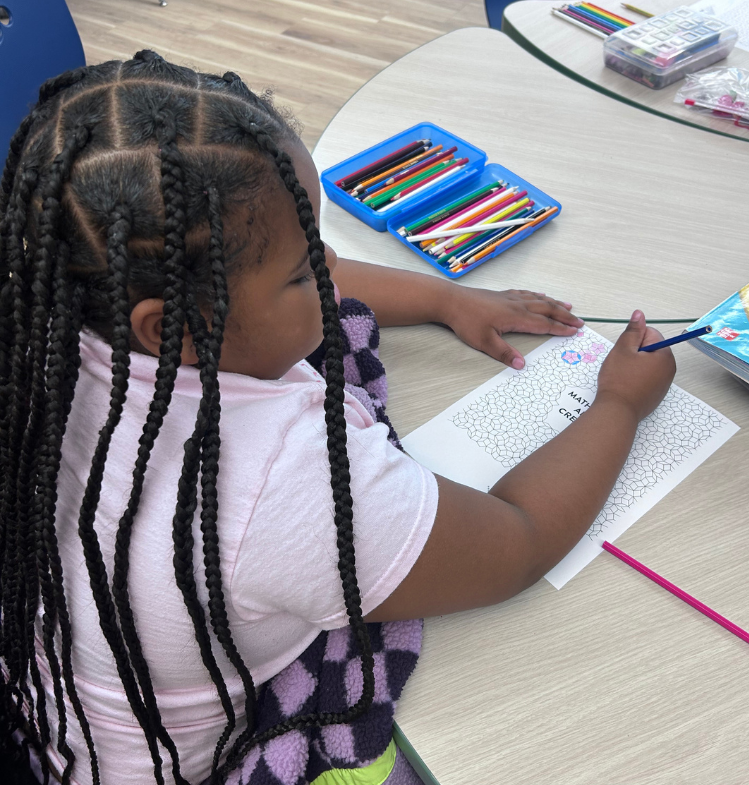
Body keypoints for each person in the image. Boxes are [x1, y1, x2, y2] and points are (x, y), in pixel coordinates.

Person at [0, 52, 675, 785]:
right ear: (172, 330)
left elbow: (258, 265)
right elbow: (518, 543)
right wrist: (620, 402)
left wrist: (446, 298)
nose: (327, 272)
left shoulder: (52, 310)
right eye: (302, 273)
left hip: (54, 701)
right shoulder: (275, 479)